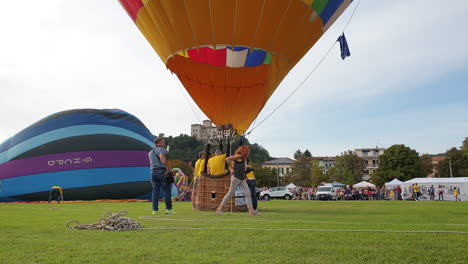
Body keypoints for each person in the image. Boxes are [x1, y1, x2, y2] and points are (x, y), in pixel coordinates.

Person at [216, 146, 260, 216]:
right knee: (230, 194)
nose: (249, 152)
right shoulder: (238, 156)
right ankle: (219, 208)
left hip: (242, 178)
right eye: (247, 151)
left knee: (248, 193)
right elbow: (227, 159)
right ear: (244, 151)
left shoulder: (244, 158)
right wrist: (232, 168)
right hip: (236, 178)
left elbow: (244, 169)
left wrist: (247, 170)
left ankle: (251, 211)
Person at [148, 137, 173, 215]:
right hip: (161, 171)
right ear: (158, 143)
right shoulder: (161, 149)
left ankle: (154, 210)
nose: (164, 144)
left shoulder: (150, 152)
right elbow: (162, 158)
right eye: (163, 142)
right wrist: (169, 168)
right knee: (167, 190)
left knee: (155, 191)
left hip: (153, 172)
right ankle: (168, 209)